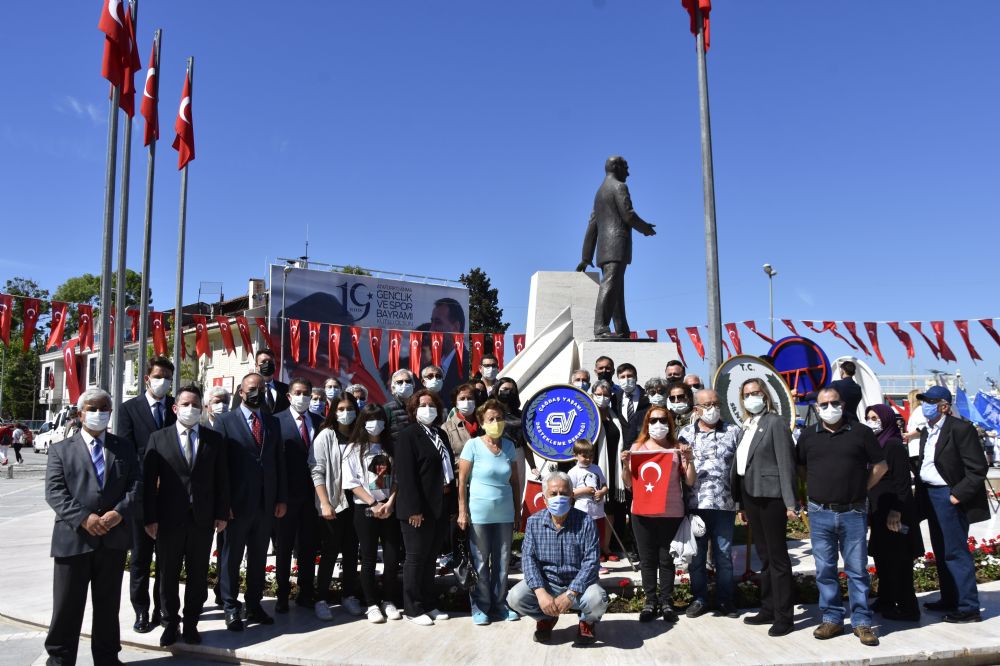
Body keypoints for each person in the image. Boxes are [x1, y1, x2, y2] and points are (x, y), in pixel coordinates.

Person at [44, 388, 140, 666]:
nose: (99, 414)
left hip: (113, 539)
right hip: (73, 540)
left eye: (104, 408)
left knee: (108, 607)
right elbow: (55, 491)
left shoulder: (124, 447)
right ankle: (60, 659)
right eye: (93, 409)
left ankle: (108, 658)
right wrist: (84, 518)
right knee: (66, 607)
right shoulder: (61, 450)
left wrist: (119, 513)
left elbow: (136, 484)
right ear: (80, 413)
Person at [796, 386, 887, 646]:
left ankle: (862, 622)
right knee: (825, 569)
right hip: (820, 512)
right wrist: (816, 488)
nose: (829, 408)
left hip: (853, 512)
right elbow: (800, 467)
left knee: (857, 569)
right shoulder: (808, 436)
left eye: (833, 403)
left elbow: (881, 466)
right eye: (823, 404)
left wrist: (861, 488)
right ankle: (832, 619)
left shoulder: (861, 432)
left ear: (843, 404)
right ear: (816, 408)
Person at [142, 385, 229, 646]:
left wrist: (222, 513)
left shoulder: (214, 439)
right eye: (185, 404)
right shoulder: (158, 438)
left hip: (202, 520)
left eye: (195, 404)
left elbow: (222, 480)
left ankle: (191, 623)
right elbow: (148, 483)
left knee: (197, 575)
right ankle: (170, 623)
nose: (190, 409)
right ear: (175, 408)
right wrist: (149, 518)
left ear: (202, 408)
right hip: (169, 521)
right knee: (167, 575)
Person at [216, 373, 288, 631]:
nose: (256, 392)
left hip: (266, 504)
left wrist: (280, 498)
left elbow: (278, 463)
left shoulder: (272, 422)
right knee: (231, 558)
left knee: (258, 558)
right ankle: (231, 607)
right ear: (241, 392)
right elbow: (220, 467)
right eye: (251, 388)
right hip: (237, 505)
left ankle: (254, 605)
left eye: (260, 388)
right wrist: (224, 504)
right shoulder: (224, 422)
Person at [913, 385, 989, 623]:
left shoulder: (961, 429)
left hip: (949, 496)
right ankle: (949, 598)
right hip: (930, 495)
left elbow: (977, 468)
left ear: (944, 406)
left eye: (930, 401)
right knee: (941, 550)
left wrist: (958, 495)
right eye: (924, 400)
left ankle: (968, 607)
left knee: (955, 552)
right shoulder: (928, 430)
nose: (925, 404)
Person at [506, 471, 608, 645]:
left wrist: (570, 594)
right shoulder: (533, 522)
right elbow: (528, 559)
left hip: (578, 586)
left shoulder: (586, 522)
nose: (558, 498)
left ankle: (587, 622)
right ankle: (545, 618)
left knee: (597, 599)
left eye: (564, 493)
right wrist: (541, 593)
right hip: (548, 583)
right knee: (515, 597)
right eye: (553, 494)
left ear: (571, 497)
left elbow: (591, 562)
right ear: (544, 499)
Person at [731, 377, 798, 637]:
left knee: (778, 558)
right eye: (747, 394)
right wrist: (740, 502)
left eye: (756, 392)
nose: (751, 398)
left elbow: (786, 464)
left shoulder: (775, 423)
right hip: (751, 496)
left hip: (771, 498)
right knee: (765, 557)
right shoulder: (747, 425)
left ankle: (784, 616)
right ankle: (768, 607)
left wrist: (791, 502)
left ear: (765, 395)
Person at [620, 406, 695, 623]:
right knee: (647, 560)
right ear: (646, 424)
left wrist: (688, 459)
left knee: (666, 560)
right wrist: (626, 464)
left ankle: (667, 602)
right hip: (642, 513)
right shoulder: (638, 447)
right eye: (652, 421)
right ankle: (650, 602)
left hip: (671, 512)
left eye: (662, 420)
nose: (657, 424)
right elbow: (629, 485)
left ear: (670, 423)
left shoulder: (677, 448)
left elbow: (689, 481)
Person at [117, 356, 175, 634]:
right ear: (147, 379)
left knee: (166, 559)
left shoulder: (177, 407)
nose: (163, 381)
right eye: (159, 376)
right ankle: (141, 611)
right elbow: (125, 452)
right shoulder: (130, 409)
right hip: (142, 495)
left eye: (168, 377)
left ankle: (162, 609)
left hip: (171, 497)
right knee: (140, 558)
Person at [394, 389, 457, 626]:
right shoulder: (408, 435)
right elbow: (406, 476)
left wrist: (450, 506)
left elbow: (448, 471)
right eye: (422, 405)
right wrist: (413, 509)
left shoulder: (439, 433)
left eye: (431, 404)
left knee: (431, 558)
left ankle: (429, 603)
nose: (427, 409)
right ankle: (412, 607)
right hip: (418, 510)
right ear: (413, 409)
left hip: (439, 506)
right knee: (415, 558)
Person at [576, 155, 657, 338]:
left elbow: (592, 225)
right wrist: (645, 229)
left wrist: (586, 257)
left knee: (616, 288)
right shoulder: (619, 187)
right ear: (616, 168)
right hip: (616, 244)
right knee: (611, 285)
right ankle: (601, 327)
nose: (628, 173)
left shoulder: (599, 192)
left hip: (604, 248)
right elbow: (628, 215)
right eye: (625, 168)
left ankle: (621, 329)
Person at [677, 388, 741, 618]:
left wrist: (742, 503)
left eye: (716, 404)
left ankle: (725, 600)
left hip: (725, 504)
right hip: (696, 505)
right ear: (696, 409)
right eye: (707, 405)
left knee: (723, 554)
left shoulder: (734, 431)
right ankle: (700, 598)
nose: (713, 409)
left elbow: (742, 469)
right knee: (697, 556)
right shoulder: (685, 434)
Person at [457, 399, 520, 625]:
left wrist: (518, 512)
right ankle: (481, 606)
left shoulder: (510, 446)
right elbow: (462, 480)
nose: (496, 422)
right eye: (491, 419)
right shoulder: (472, 445)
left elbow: (515, 481)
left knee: (502, 561)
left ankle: (500, 604)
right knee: (481, 561)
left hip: (504, 512)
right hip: (479, 513)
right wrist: (462, 511)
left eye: (499, 418)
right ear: (482, 423)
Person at [342, 403, 403, 623]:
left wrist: (389, 503)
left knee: (391, 556)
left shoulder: (392, 447)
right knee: (367, 558)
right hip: (365, 508)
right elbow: (351, 483)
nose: (374, 424)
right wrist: (373, 504)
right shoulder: (353, 449)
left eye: (378, 419)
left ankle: (389, 600)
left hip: (389, 508)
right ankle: (371, 604)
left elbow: (397, 479)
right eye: (369, 419)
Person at [865, 403, 923, 622]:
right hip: (879, 511)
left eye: (875, 417)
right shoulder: (876, 445)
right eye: (868, 417)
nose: (871, 421)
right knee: (883, 558)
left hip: (894, 512)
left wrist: (896, 511)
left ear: (886, 419)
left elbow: (902, 483)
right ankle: (886, 599)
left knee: (899, 561)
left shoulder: (893, 445)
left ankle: (908, 607)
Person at [273, 378, 325, 617]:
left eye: (307, 393)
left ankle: (305, 593)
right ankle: (282, 594)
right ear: (289, 396)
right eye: (298, 393)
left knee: (308, 547)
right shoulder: (276, 422)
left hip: (313, 497)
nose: (302, 397)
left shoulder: (320, 422)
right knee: (284, 548)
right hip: (287, 497)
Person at [311, 394, 365, 617]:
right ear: (333, 411)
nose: (346, 412)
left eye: (350, 408)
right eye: (341, 408)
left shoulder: (360, 435)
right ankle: (321, 598)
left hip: (358, 502)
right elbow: (317, 470)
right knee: (330, 551)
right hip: (334, 501)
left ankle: (348, 595)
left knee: (352, 551)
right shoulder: (326, 435)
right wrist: (324, 503)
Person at [589, 380, 622, 559]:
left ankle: (606, 547)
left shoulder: (614, 416)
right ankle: (593, 548)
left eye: (606, 395)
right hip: (593, 467)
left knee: (609, 508)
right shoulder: (588, 416)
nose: (602, 398)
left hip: (612, 467)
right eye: (599, 394)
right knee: (592, 508)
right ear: (592, 394)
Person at [567, 439, 609, 573]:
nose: (588, 459)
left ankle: (596, 563)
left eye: (591, 456)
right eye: (584, 456)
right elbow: (569, 493)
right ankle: (582, 564)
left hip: (598, 511)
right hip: (582, 512)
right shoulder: (573, 472)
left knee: (597, 538)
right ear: (575, 455)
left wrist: (602, 492)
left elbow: (604, 485)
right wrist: (584, 491)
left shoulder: (596, 468)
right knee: (583, 538)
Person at [796, 360, 863, 421]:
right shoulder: (858, 388)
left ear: (843, 371)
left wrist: (800, 398)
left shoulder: (836, 384)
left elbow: (820, 394)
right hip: (854, 421)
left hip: (841, 423)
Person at [232, 349, 290, 414]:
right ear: (256, 366)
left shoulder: (285, 389)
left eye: (270, 362)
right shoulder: (244, 388)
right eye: (263, 362)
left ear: (275, 365)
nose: (267, 364)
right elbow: (235, 414)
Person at [442, 383, 481, 463]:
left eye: (470, 398)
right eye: (462, 399)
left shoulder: (485, 424)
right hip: (459, 473)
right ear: (456, 403)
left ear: (475, 401)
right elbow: (445, 458)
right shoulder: (447, 427)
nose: (466, 401)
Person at [613, 362, 647, 445]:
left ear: (636, 378)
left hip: (644, 445)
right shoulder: (614, 399)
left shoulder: (647, 397)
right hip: (623, 447)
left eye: (629, 376)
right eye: (622, 377)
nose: (626, 379)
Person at [384, 369, 415, 439]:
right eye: (400, 382)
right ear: (393, 387)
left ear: (413, 384)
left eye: (408, 381)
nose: (405, 384)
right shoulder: (387, 409)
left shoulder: (420, 406)